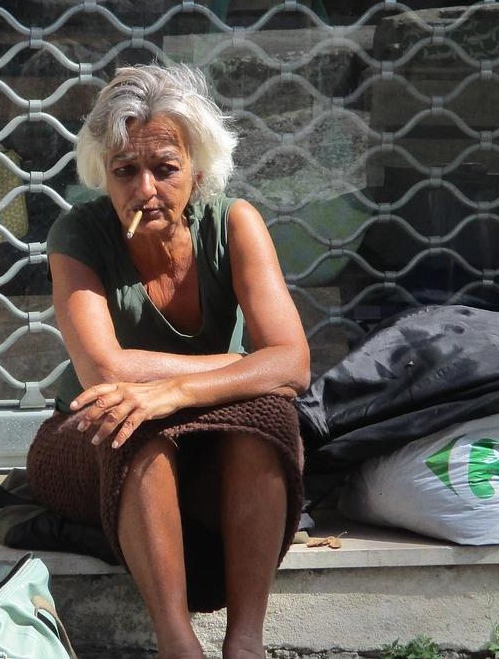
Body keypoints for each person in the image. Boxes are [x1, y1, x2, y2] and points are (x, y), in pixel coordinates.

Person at [26, 63, 310, 659]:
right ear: (103, 174)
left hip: (202, 431)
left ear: (198, 169)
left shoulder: (235, 223)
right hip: (88, 433)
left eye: (165, 168)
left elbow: (292, 361)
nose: (145, 189)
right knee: (134, 419)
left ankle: (247, 644)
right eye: (125, 171)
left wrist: (176, 391)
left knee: (270, 423)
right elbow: (104, 372)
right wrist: (232, 366)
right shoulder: (78, 235)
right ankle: (178, 646)